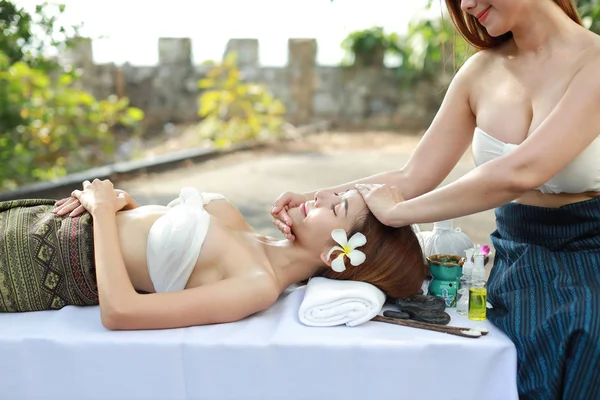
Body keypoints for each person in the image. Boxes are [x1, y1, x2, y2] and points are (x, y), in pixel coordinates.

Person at [271, 1, 600, 398]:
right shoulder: (480, 72)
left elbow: (524, 171)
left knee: (585, 323)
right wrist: (315, 200)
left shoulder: (593, 62)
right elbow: (413, 176)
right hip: (522, 256)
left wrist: (400, 213)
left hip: (590, 249)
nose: (465, 5)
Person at [0, 179, 425, 332]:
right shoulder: (256, 239)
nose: (320, 196)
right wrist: (122, 205)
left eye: (336, 207)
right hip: (44, 219)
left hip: (40, 263)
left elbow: (121, 311)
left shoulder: (257, 286)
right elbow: (154, 242)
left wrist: (106, 212)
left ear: (336, 255)